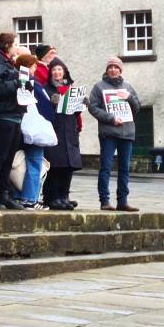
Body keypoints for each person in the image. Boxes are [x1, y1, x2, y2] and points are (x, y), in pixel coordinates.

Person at [0, 32, 28, 210]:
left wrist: (26, 86)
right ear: (8, 45)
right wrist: (16, 83)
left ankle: (4, 194)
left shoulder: (9, 65)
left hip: (14, 115)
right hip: (1, 116)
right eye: (15, 44)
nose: (17, 47)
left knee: (9, 157)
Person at [88, 57, 140, 212]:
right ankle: (104, 201)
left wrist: (129, 97)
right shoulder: (99, 87)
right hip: (108, 133)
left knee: (124, 169)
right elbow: (93, 108)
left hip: (127, 133)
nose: (113, 69)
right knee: (106, 167)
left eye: (116, 67)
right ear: (106, 70)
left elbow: (137, 108)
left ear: (120, 70)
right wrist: (111, 118)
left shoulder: (128, 87)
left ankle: (122, 201)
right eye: (110, 67)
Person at [14, 54, 53, 209]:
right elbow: (44, 107)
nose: (36, 68)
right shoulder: (33, 84)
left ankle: (17, 196)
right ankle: (30, 199)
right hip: (34, 131)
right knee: (34, 164)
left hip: (19, 128)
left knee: (18, 164)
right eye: (34, 65)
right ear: (28, 66)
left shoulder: (15, 82)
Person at [43, 58, 82, 210]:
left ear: (64, 71)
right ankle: (51, 197)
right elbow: (43, 110)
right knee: (55, 166)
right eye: (54, 70)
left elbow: (75, 113)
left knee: (68, 166)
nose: (57, 72)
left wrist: (81, 104)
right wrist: (51, 103)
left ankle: (64, 196)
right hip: (55, 130)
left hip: (70, 131)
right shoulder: (46, 89)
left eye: (59, 69)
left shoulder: (71, 88)